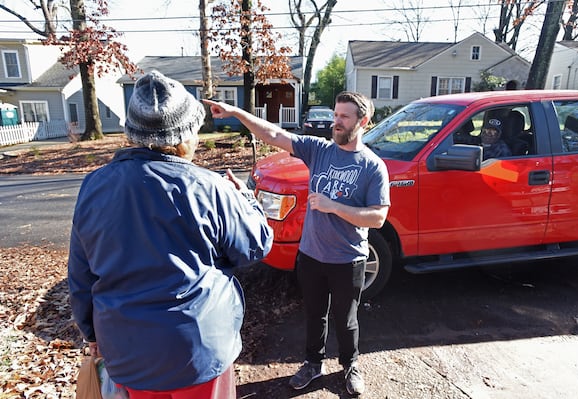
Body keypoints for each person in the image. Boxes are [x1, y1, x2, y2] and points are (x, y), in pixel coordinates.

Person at [68, 70, 273, 398]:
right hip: (197, 349)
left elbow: (81, 274)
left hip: (127, 350)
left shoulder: (94, 186)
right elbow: (255, 246)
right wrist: (247, 200)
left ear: (132, 133)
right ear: (185, 134)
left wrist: (92, 333)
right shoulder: (210, 187)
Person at [204, 92, 390, 396]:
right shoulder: (318, 150)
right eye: (335, 115)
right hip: (311, 256)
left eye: (344, 117)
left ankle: (350, 364)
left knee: (346, 319)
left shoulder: (372, 167)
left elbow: (378, 218)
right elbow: (275, 133)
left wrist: (334, 207)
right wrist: (236, 112)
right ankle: (313, 364)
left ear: (363, 121)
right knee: (314, 314)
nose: (336, 122)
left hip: (348, 259)